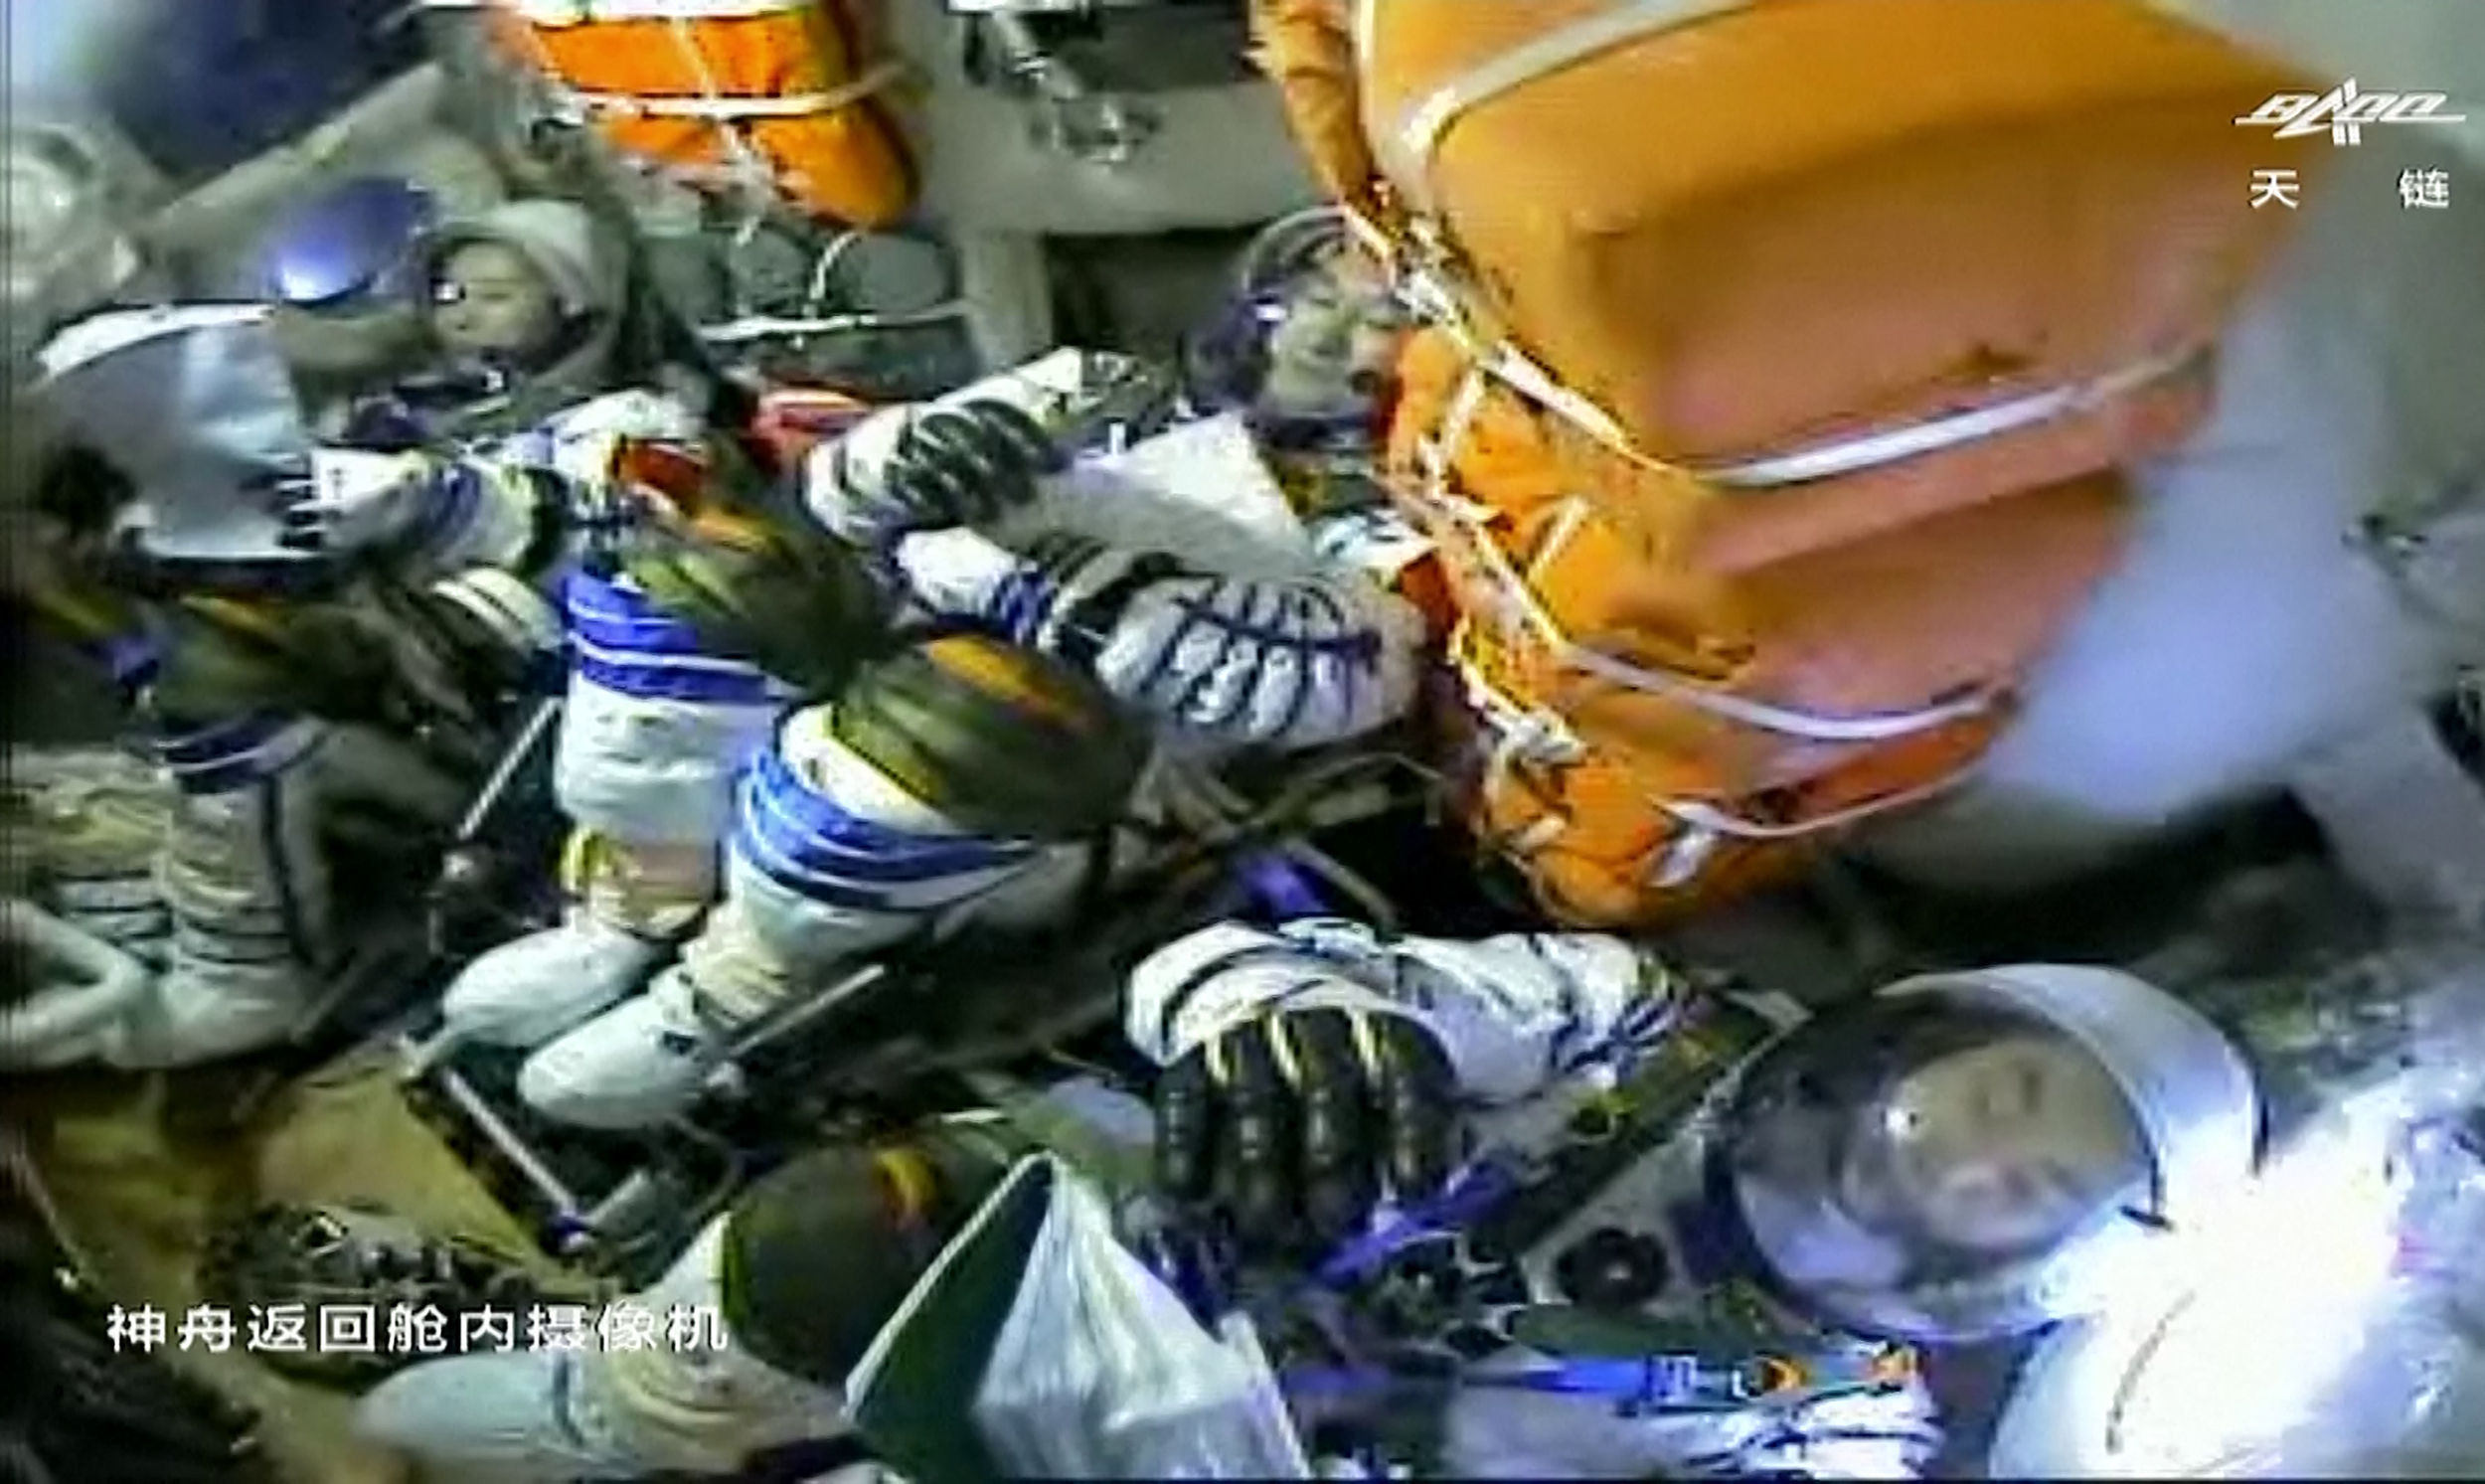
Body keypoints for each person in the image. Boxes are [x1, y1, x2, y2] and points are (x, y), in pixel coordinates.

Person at [357, 918, 2259, 1478]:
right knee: (851, 1222)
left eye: (2051, 1180)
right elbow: (1310, 975)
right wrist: (1298, 1023)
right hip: (1151, 1277)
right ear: (1926, 1040)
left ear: (2041, 1257)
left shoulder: (1828, 1421)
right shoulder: (1639, 1029)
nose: (1997, 1155)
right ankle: (612, 1407)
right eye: (2013, 1091)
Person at [434, 347, 1433, 1131]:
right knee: (692, 595)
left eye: (1370, 330)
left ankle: (715, 997)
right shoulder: (1132, 403)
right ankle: (626, 911)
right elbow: (1075, 387)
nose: (1339, 328)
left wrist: (1076, 605)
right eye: (1319, 295)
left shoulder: (1385, 545)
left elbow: (1353, 674)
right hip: (897, 652)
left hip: (1058, 792)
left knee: (917, 754)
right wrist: (880, 471)